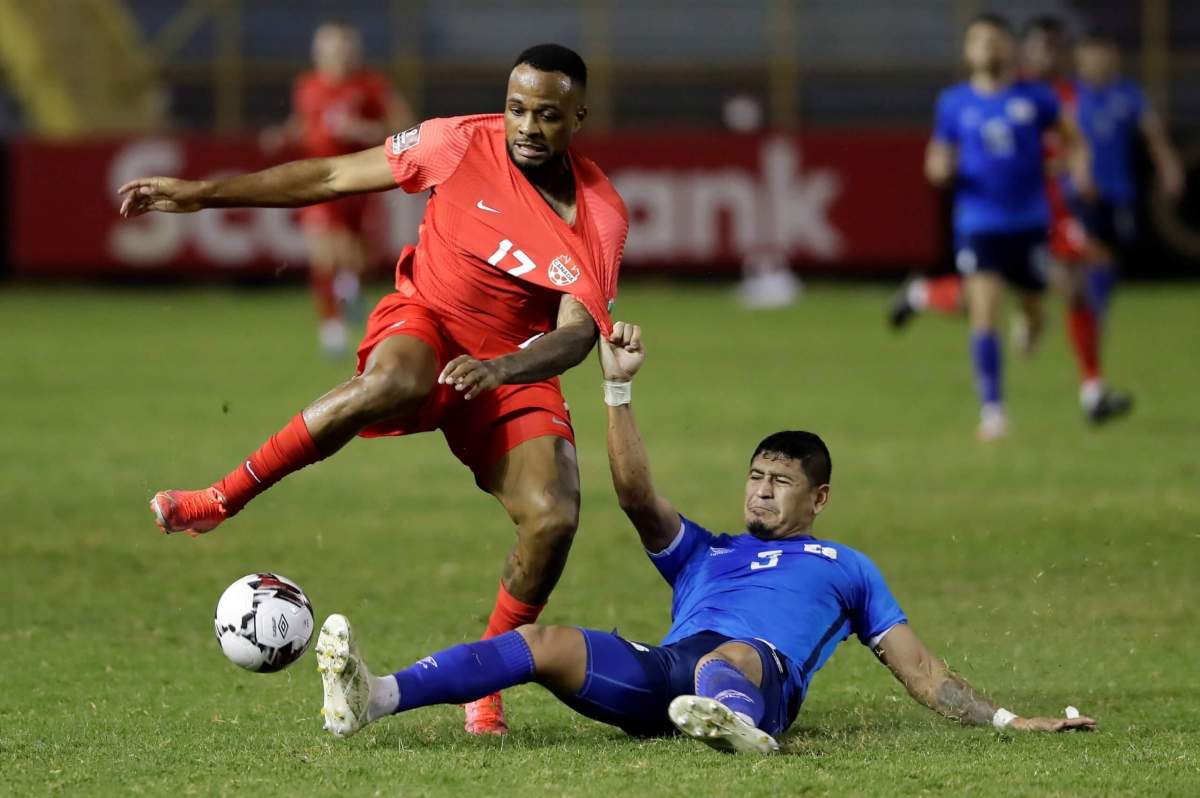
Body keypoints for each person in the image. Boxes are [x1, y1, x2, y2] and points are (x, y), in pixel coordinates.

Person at [119, 44, 628, 735]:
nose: (527, 126)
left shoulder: (597, 216)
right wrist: (203, 194)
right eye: (516, 108)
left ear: (578, 118)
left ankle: (486, 681)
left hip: (509, 368)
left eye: (547, 115)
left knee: (554, 518)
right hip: (428, 320)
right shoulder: (455, 143)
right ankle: (220, 499)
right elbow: (330, 174)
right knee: (393, 378)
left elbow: (575, 335)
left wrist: (504, 369)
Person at [312, 322, 1096, 754]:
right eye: (755, 474)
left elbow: (921, 671)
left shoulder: (847, 568)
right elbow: (634, 495)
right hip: (673, 679)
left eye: (779, 481)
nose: (759, 488)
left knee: (732, 659)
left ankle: (742, 730)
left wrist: (1009, 722)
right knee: (545, 641)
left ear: (819, 498)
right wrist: (617, 387)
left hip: (764, 680)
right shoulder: (707, 552)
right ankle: (372, 699)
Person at [922, 13, 1092, 440]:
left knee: (1035, 310)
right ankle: (993, 410)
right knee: (984, 309)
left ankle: (1031, 324)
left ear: (1010, 48)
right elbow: (936, 158)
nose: (988, 48)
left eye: (995, 40)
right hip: (978, 221)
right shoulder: (954, 102)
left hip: (1030, 221)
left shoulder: (1037, 98)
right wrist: (940, 169)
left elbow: (1072, 140)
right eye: (979, 40)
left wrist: (1079, 170)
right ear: (968, 50)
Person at [261, 22, 413, 357]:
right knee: (324, 251)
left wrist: (363, 130)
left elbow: (403, 126)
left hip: (359, 178)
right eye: (331, 49)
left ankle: (350, 289)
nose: (338, 56)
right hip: (318, 179)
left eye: (344, 49)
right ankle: (331, 328)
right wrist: (284, 134)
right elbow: (306, 122)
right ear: (319, 53)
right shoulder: (307, 86)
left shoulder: (372, 86)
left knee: (356, 257)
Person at [1070, 29, 1184, 417]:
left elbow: (1152, 134)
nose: (1098, 62)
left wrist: (1168, 166)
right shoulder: (1068, 96)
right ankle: (1087, 315)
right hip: (1078, 196)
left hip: (1119, 194)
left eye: (1104, 54)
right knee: (1090, 258)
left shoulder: (1128, 94)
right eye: (1091, 54)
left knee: (1108, 261)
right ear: (1081, 59)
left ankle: (1087, 312)